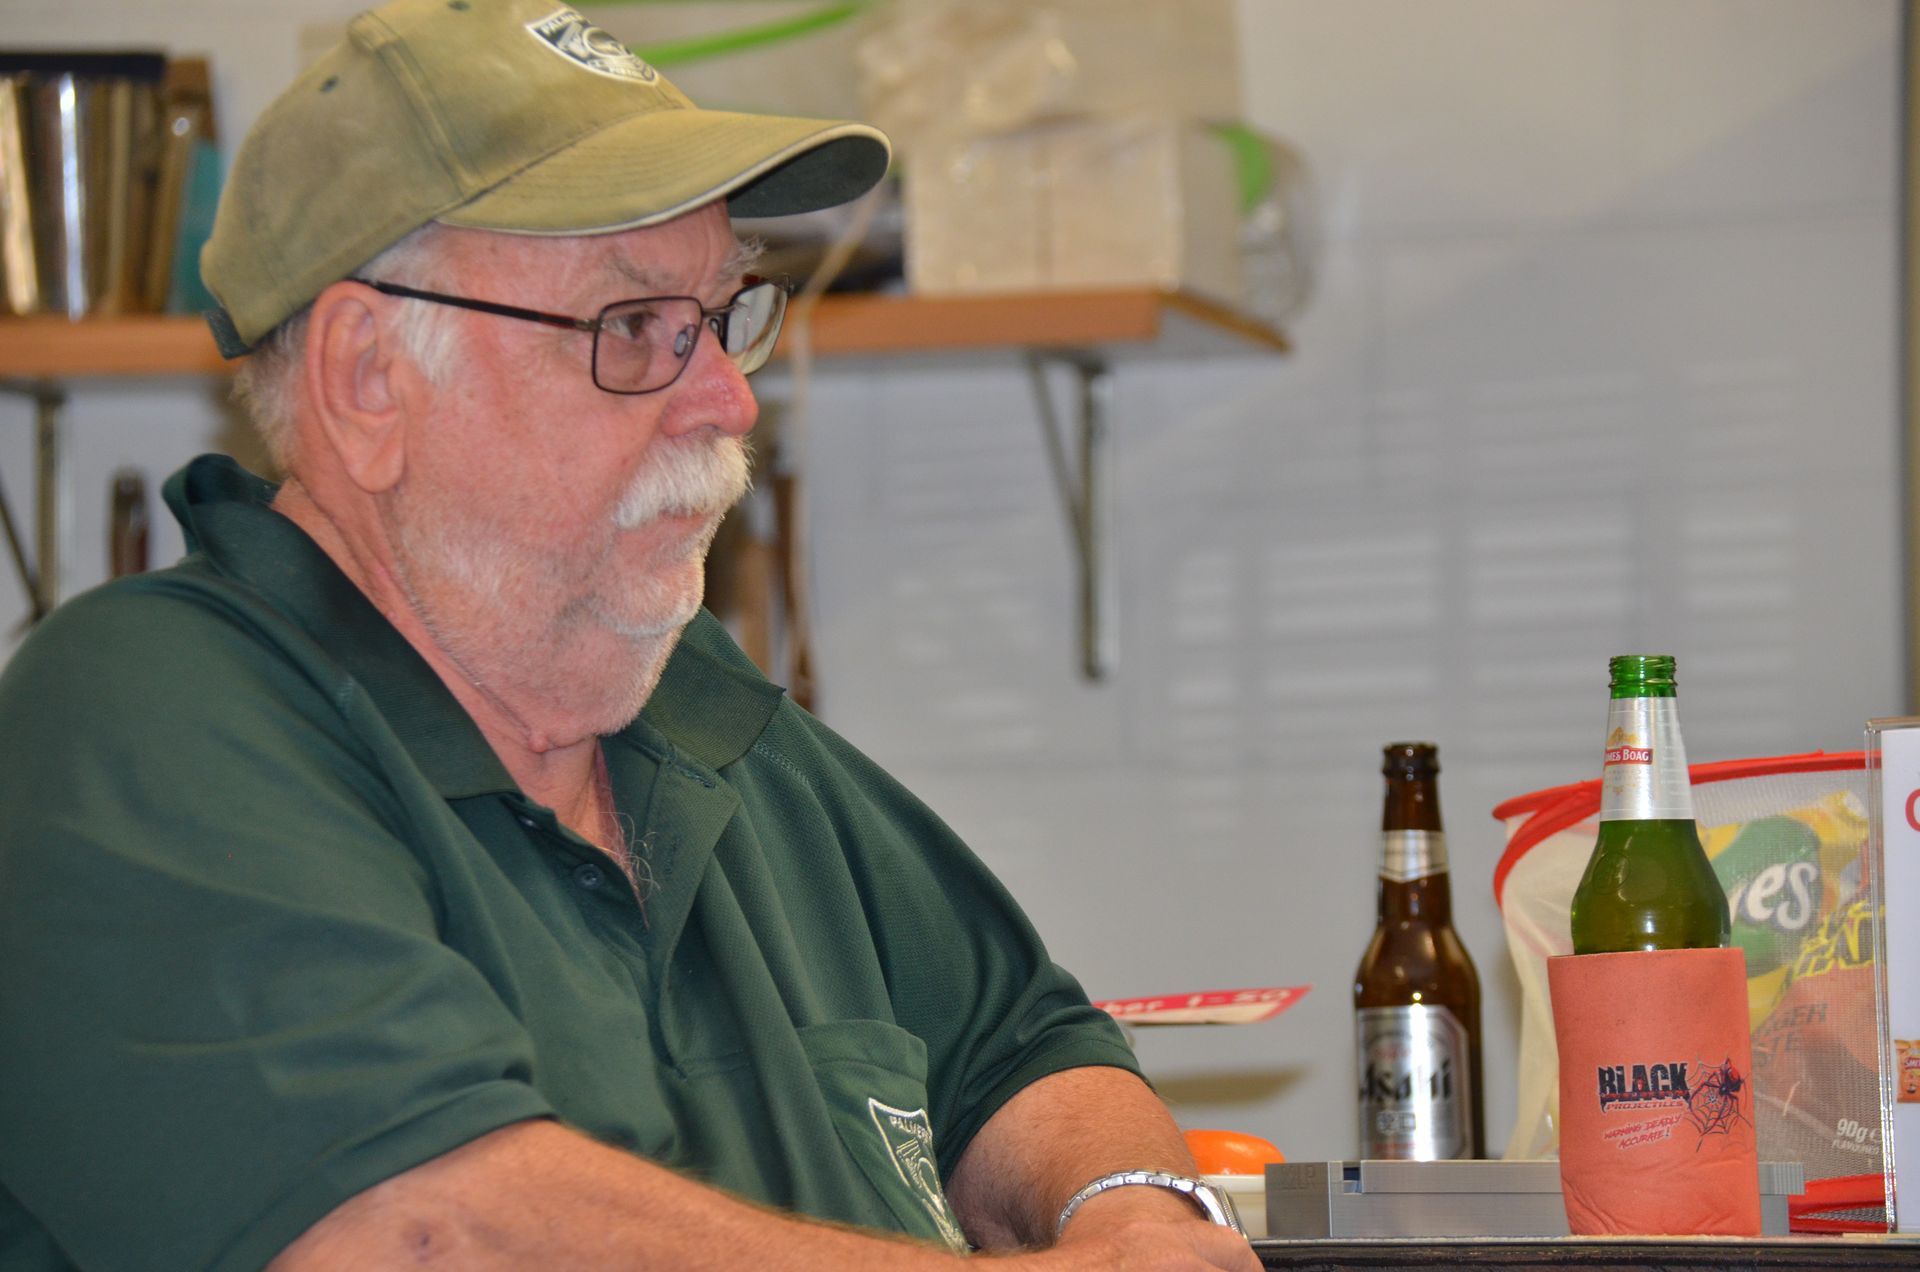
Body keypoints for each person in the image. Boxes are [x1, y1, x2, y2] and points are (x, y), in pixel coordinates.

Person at [0, 3, 1261, 1269]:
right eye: (632, 326)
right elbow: (427, 1231)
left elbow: (1022, 1046)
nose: (730, 399)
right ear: (367, 377)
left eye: (721, 315)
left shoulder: (688, 703)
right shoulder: (144, 721)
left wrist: (1131, 1214)